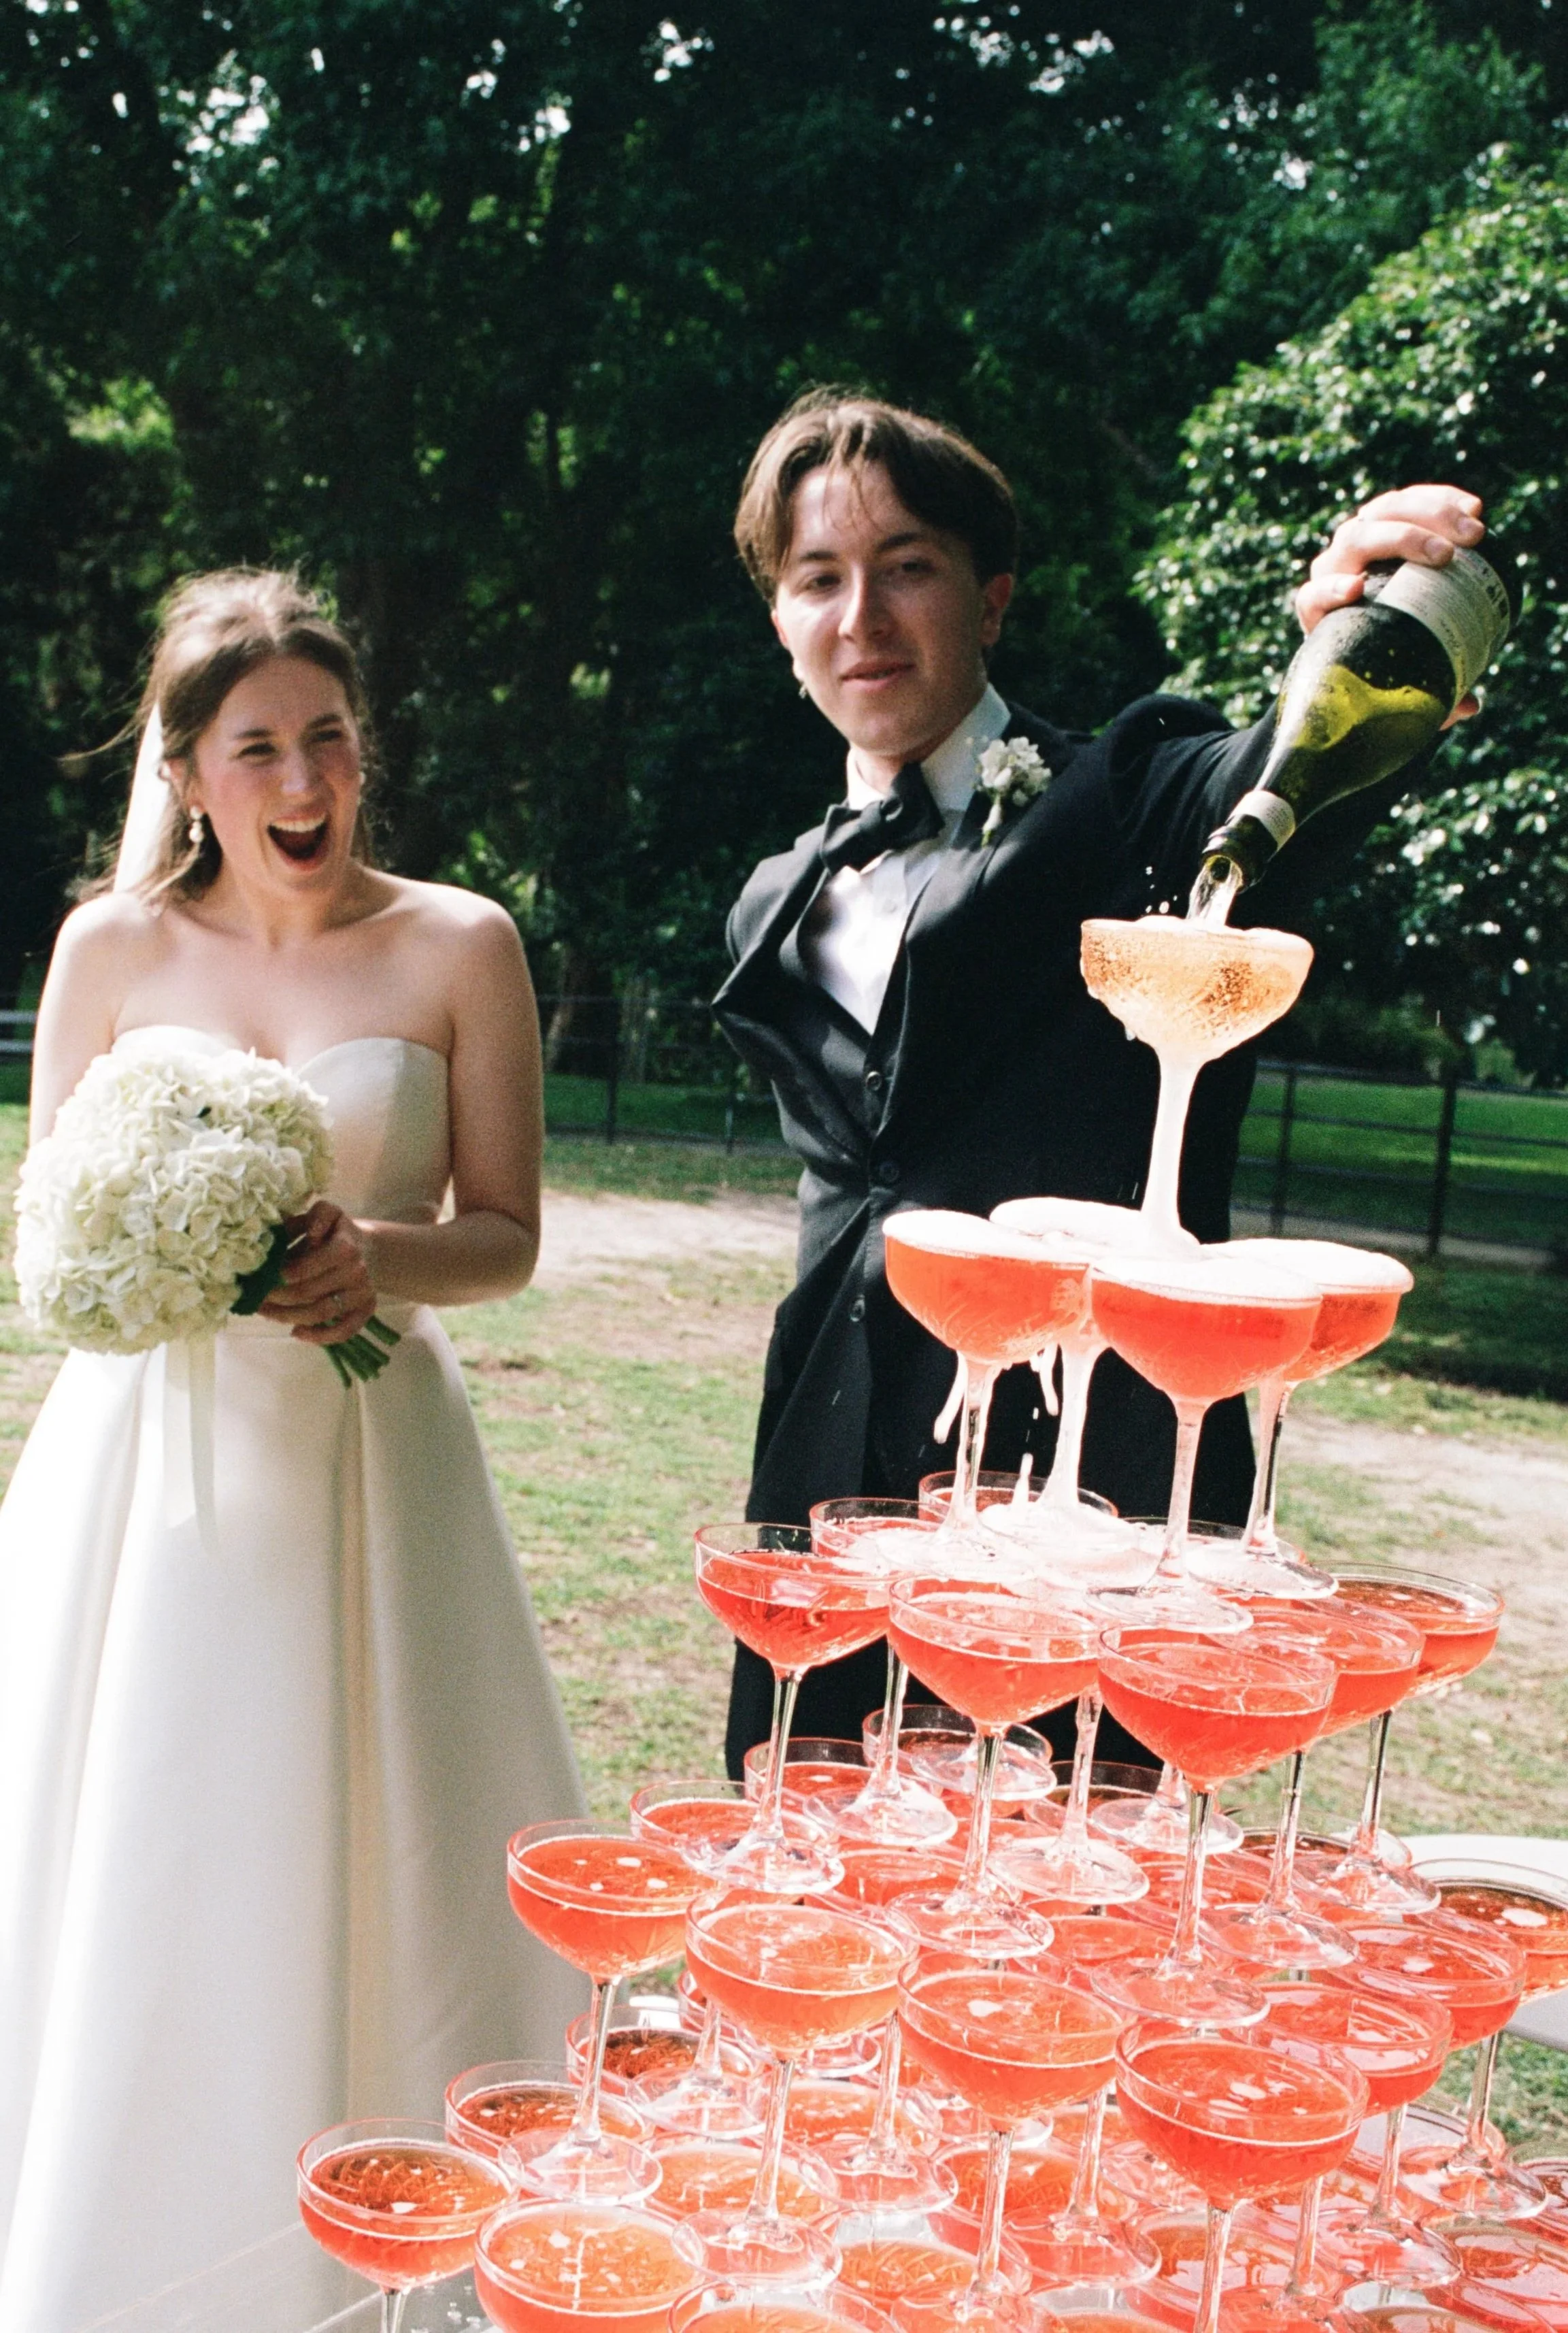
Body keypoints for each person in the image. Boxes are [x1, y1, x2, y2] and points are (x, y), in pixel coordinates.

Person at [714, 388, 1484, 1778]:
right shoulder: (778, 895)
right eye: (818, 578)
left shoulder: (1128, 797)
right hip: (837, 1460)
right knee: (823, 1856)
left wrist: (1348, 643)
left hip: (1097, 1463)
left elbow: (1266, 781)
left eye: (909, 568)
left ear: (993, 596)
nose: (861, 617)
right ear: (780, 621)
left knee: (1065, 1887)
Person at [0, 572, 586, 2330]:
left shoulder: (461, 942)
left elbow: (505, 1232)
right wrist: (149, 1264)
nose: (304, 772)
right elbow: (50, 1241)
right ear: (189, 774)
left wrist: (371, 1260)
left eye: (328, 733)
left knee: (389, 1836)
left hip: (371, 1462)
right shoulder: (110, 950)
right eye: (258, 744)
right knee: (140, 1838)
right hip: (150, 1484)